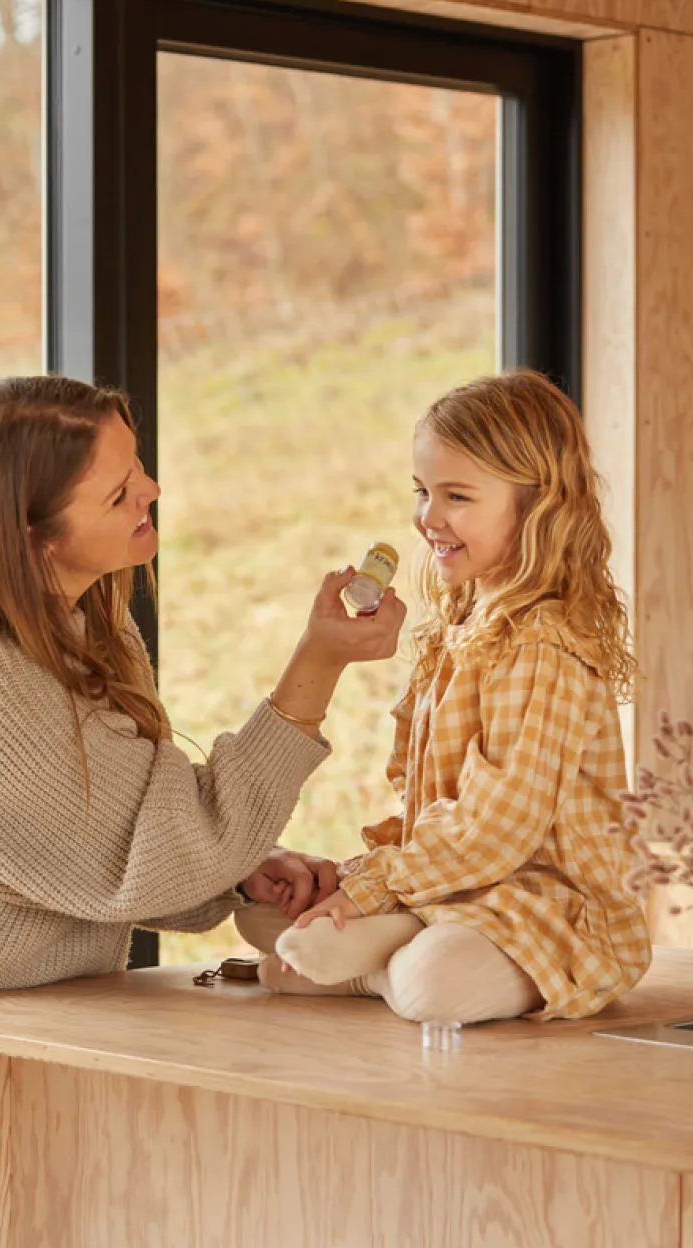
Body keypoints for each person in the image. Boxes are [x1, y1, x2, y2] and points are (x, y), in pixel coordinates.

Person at [0, 376, 404, 1003]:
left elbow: (117, 841)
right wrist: (318, 664)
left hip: (9, 1012)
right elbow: (160, 854)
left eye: (137, 466)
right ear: (34, 536)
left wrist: (241, 872)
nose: (151, 490)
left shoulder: (88, 628)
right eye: (117, 493)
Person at [237, 371, 651, 1023]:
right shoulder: (463, 622)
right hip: (457, 886)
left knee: (433, 984)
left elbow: (496, 832)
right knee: (261, 915)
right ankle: (380, 946)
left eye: (456, 496)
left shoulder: (545, 647)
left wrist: (371, 893)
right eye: (423, 491)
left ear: (537, 506)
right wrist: (359, 881)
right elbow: (433, 809)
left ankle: (378, 966)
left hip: (544, 911)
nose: (428, 517)